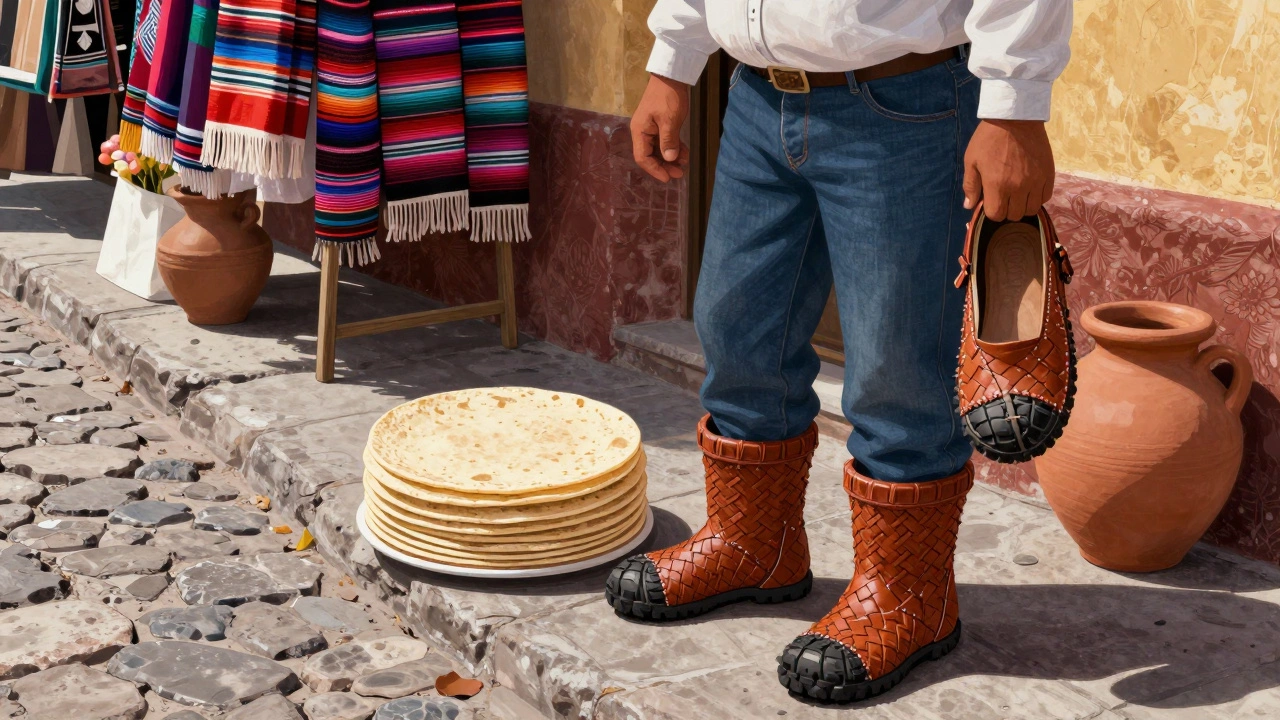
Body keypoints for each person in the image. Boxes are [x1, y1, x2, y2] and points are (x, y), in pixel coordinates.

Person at [604, 0, 1072, 703]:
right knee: (735, 328)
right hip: (757, 97)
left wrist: (1014, 107)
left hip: (905, 106)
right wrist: (673, 61)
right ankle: (751, 544)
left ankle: (910, 595)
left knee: (898, 362)